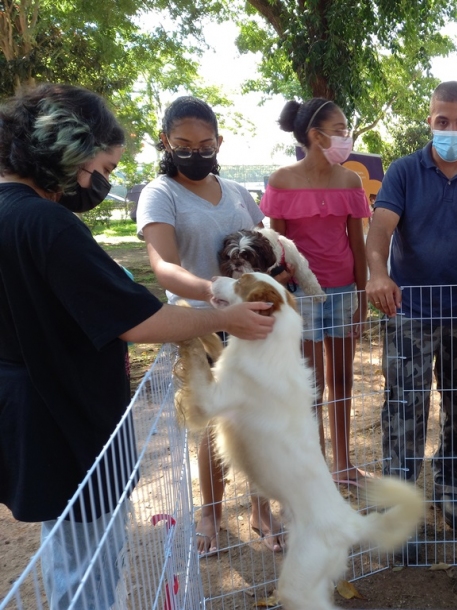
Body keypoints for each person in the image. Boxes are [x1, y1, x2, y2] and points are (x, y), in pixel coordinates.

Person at [0, 84, 275, 610]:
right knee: (90, 568)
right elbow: (137, 318)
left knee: (67, 553)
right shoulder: (47, 224)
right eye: (98, 169)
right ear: (67, 149)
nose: (98, 183)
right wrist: (225, 318)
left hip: (28, 415)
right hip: (68, 423)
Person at [137, 97, 283, 556]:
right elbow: (163, 267)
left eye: (205, 144)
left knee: (259, 417)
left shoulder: (237, 191)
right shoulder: (159, 194)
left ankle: (262, 508)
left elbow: (266, 244)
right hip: (203, 323)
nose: (195, 153)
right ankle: (211, 513)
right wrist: (215, 295)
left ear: (219, 142)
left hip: (255, 321)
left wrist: (275, 277)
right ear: (166, 142)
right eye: (183, 144)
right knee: (215, 422)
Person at [366, 81, 457, 540]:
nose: (452, 130)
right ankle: (398, 500)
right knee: (404, 405)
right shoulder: (405, 172)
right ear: (430, 121)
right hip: (410, 311)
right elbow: (381, 230)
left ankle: (451, 485)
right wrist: (378, 274)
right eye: (443, 121)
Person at [260, 98, 370, 485]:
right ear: (315, 135)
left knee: (342, 380)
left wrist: (362, 299)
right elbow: (277, 249)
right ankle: (314, 468)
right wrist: (283, 302)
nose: (346, 136)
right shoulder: (282, 180)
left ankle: (343, 464)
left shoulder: (350, 180)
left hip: (342, 294)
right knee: (312, 384)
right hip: (302, 299)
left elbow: (358, 245)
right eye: (340, 129)